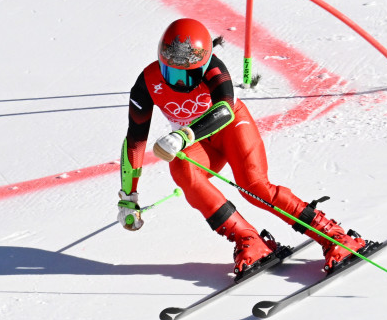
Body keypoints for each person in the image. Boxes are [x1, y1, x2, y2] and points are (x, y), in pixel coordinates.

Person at [116, 17, 367, 276]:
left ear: (202, 67)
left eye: (188, 75)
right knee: (181, 168)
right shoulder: (147, 83)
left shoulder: (214, 69)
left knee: (253, 186)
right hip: (200, 142)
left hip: (231, 129)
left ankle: (333, 235)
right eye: (171, 72)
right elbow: (135, 140)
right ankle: (249, 240)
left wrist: (183, 135)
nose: (179, 83)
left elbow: (224, 110)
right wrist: (128, 197)